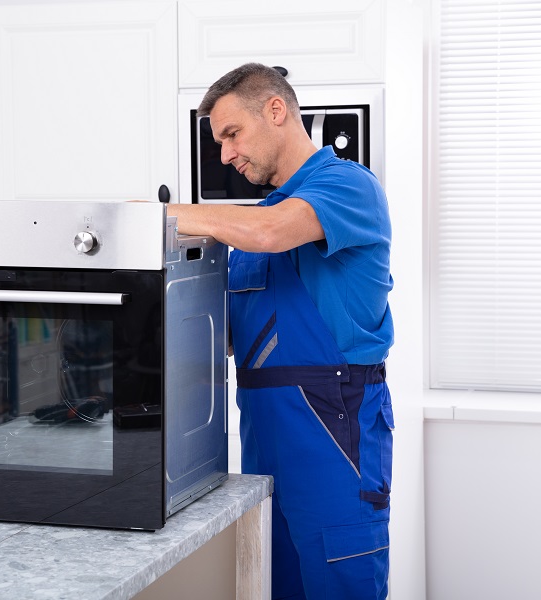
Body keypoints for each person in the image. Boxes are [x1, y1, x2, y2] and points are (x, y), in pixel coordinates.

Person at [167, 62, 394, 600]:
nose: (224, 154)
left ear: (275, 111)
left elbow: (270, 233)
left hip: (335, 439)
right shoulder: (257, 218)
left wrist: (159, 215)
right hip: (262, 440)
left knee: (341, 583)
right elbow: (220, 339)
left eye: (231, 134)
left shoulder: (346, 187)